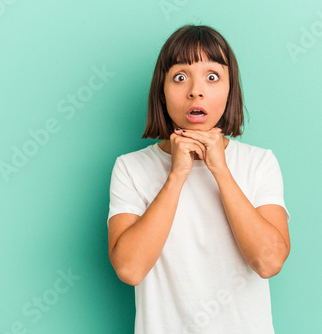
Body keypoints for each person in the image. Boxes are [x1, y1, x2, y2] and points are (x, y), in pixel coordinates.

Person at [107, 24, 291, 334]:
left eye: (212, 76)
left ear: (230, 90)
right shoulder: (130, 168)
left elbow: (269, 262)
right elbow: (130, 269)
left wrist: (220, 169)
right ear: (162, 93)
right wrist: (177, 174)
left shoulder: (260, 163)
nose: (196, 90)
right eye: (180, 77)